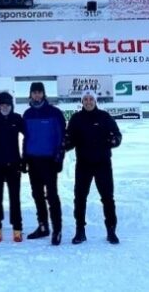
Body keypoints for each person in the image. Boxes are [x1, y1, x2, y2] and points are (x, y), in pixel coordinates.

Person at [64, 90, 122, 245]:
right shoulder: (76, 118)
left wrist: (114, 140)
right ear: (82, 102)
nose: (88, 102)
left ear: (95, 101)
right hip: (83, 164)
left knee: (108, 198)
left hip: (103, 163)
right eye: (85, 99)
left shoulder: (104, 117)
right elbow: (70, 139)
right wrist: (63, 145)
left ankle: (111, 231)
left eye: (91, 99)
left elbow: (117, 135)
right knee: (80, 198)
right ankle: (80, 231)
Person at [22, 82, 66, 246]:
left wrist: (59, 158)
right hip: (33, 160)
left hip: (49, 161)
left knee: (52, 196)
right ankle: (43, 226)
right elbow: (26, 138)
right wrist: (24, 158)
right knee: (37, 195)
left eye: (40, 92)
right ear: (30, 95)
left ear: (44, 94)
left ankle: (57, 229)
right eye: (34, 93)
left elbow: (62, 137)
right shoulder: (27, 114)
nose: (37, 95)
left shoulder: (54, 113)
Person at [0, 91, 26, 243]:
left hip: (14, 164)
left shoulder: (17, 118)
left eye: (8, 104)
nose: (5, 107)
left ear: (11, 105)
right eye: (2, 104)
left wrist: (25, 158)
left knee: (15, 198)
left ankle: (17, 228)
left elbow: (30, 135)